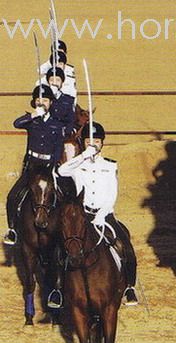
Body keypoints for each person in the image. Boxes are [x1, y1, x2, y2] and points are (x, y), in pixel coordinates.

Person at [57, 122, 139, 306]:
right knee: (61, 249)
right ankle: (58, 289)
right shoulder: (78, 165)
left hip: (104, 215)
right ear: (83, 143)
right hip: (83, 216)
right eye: (88, 141)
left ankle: (129, 288)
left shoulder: (110, 165)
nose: (93, 144)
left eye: (96, 141)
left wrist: (102, 214)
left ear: (102, 143)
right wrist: (83, 156)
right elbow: (62, 171)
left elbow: (112, 192)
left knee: (125, 246)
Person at [4, 85, 67, 246]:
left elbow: (59, 147)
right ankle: (13, 230)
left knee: (64, 196)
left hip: (48, 166)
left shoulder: (57, 124)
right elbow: (16, 123)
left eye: (45, 100)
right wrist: (33, 115)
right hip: (32, 166)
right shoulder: (31, 120)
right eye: (38, 100)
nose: (41, 102)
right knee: (12, 196)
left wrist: (54, 166)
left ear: (51, 103)